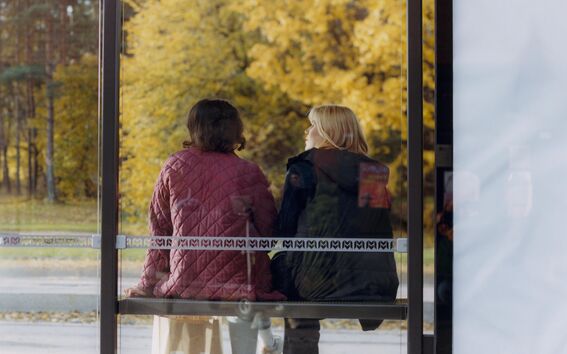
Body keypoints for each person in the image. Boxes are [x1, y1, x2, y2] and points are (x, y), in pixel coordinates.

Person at [125, 98, 284, 354]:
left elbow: (160, 231)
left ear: (194, 127)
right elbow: (268, 233)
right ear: (235, 129)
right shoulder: (248, 171)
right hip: (241, 279)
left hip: (186, 278)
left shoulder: (174, 166)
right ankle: (263, 346)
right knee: (247, 299)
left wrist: (147, 283)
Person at [272, 104, 399, 354]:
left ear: (328, 131)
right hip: (370, 284)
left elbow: (284, 231)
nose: (306, 131)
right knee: (302, 264)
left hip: (313, 283)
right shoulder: (371, 173)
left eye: (313, 125)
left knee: (280, 266)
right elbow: (376, 228)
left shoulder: (304, 168)